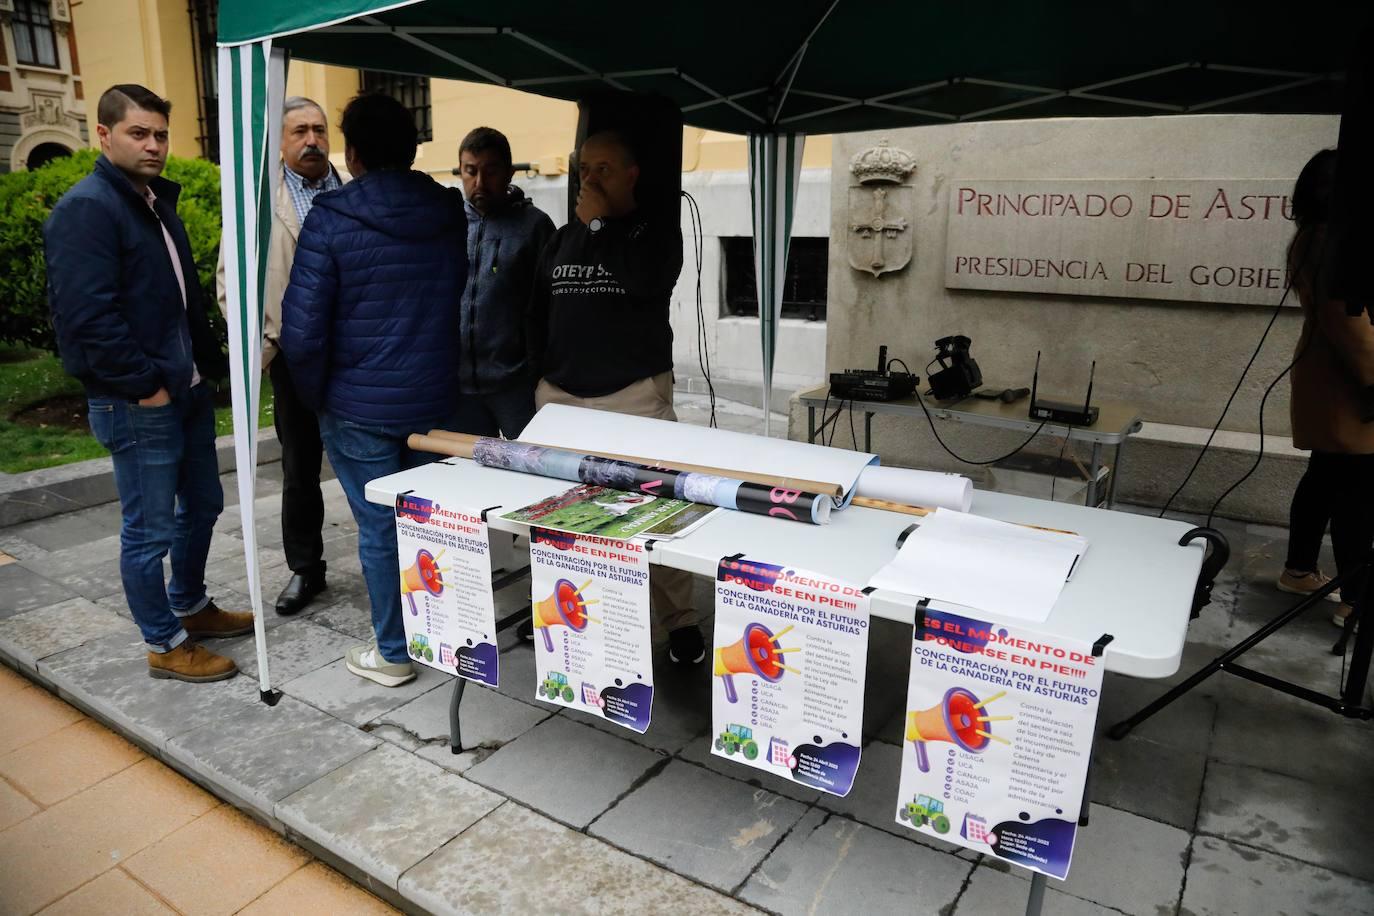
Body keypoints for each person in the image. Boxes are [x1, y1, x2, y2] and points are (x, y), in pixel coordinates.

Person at [44, 84, 251, 682]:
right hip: (138, 400)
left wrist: (205, 371)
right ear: (104, 135)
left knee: (204, 504)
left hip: (181, 391)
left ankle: (189, 606)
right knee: (149, 529)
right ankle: (164, 641)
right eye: (139, 133)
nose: (155, 145)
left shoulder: (154, 202)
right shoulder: (89, 208)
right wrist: (144, 387)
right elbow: (87, 319)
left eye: (161, 134)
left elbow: (179, 301)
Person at [281, 93, 468, 687]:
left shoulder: (330, 217)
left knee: (379, 526)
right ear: (412, 148)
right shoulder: (448, 209)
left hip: (358, 405)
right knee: (430, 521)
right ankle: (439, 635)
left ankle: (392, 652)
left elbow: (302, 333)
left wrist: (316, 397)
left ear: (352, 152)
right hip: (434, 397)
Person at [526, 128, 704, 665]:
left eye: (603, 168)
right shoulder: (562, 237)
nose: (590, 178)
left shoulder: (652, 233)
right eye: (585, 168)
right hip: (561, 397)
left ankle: (680, 623)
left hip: (631, 396)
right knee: (561, 515)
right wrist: (540, 374)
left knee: (658, 509)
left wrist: (601, 223)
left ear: (631, 174)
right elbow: (537, 308)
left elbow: (643, 284)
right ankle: (571, 609)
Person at [217, 96, 342, 616]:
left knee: (379, 460)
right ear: (281, 143)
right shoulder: (258, 207)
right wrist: (268, 342)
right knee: (299, 468)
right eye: (299, 132)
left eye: (318, 129)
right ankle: (305, 568)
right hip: (294, 360)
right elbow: (230, 285)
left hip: (358, 356)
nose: (311, 140)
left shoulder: (353, 195)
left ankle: (394, 559)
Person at [1280, 148, 1374, 629]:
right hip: (1349, 388)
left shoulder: (1315, 238)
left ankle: (1299, 569)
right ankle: (1357, 601)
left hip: (1328, 381)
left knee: (1324, 480)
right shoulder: (1330, 244)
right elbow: (1352, 327)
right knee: (1356, 496)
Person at [453, 127, 555, 438]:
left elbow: (551, 308)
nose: (479, 182)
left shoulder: (534, 226)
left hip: (517, 387)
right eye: (471, 171)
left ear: (510, 173)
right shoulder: (448, 222)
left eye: (491, 171)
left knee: (528, 470)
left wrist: (537, 372)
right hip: (459, 388)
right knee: (467, 473)